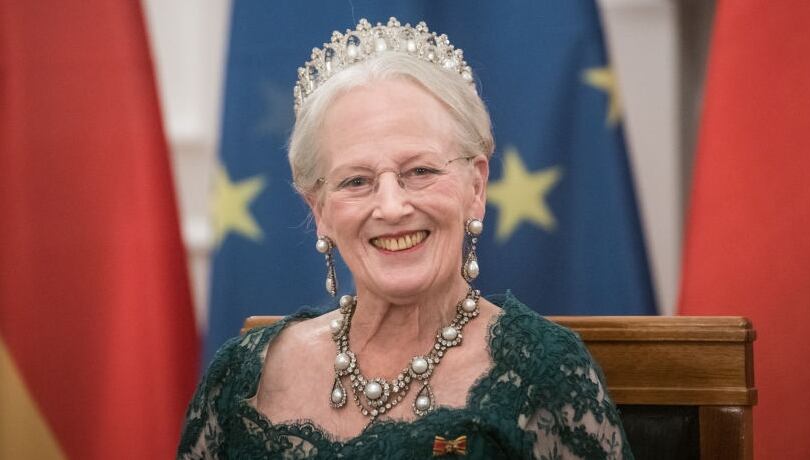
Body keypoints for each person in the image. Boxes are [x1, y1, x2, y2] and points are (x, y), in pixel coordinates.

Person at [178, 17, 632, 459]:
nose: (392, 207)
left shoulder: (542, 373)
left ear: (476, 187)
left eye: (420, 171)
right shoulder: (243, 376)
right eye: (356, 181)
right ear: (319, 211)